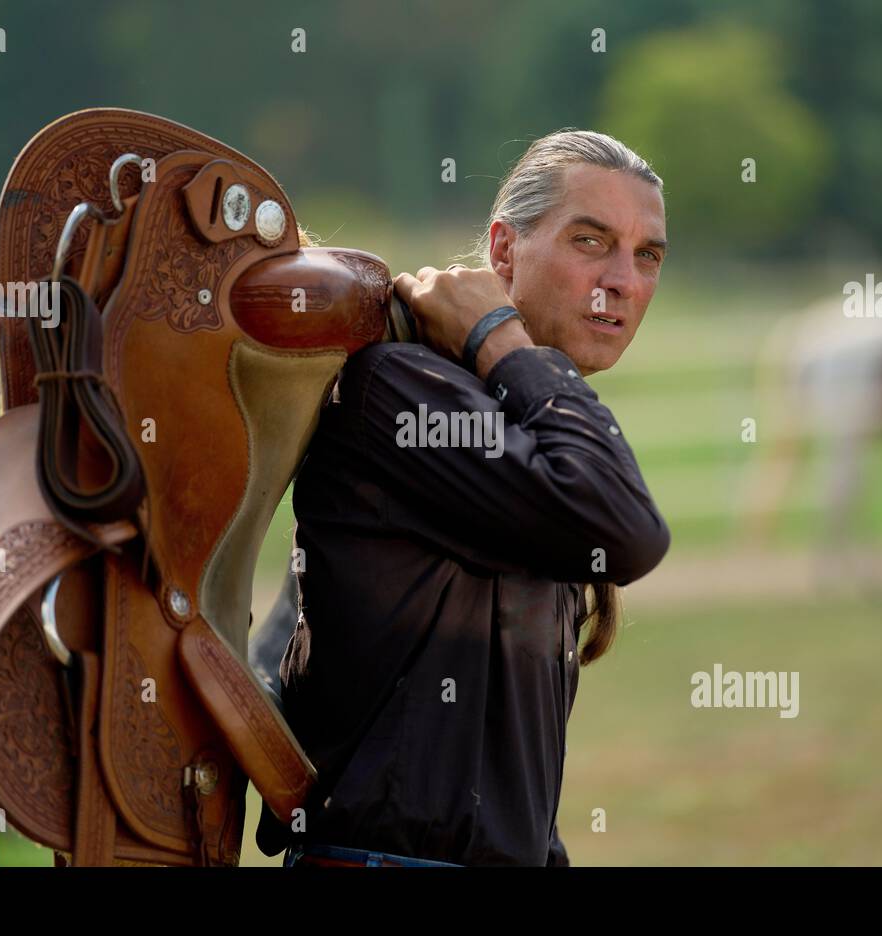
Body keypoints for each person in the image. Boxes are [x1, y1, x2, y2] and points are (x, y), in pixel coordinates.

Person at [252, 129, 671, 866]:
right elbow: (628, 529)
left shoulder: (513, 411)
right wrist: (502, 339)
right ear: (503, 252)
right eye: (590, 240)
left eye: (647, 255)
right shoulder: (405, 392)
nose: (623, 281)